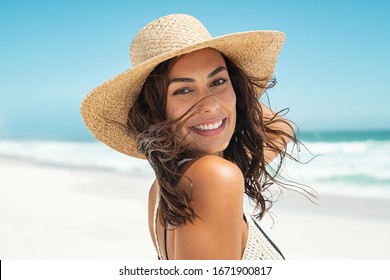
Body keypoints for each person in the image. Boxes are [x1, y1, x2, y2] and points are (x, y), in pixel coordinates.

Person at [81, 14, 312, 260]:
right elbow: (279, 127)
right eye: (183, 90)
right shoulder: (214, 177)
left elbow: (279, 129)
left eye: (218, 81)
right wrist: (227, 102)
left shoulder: (163, 188)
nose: (210, 106)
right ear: (156, 110)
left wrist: (236, 100)